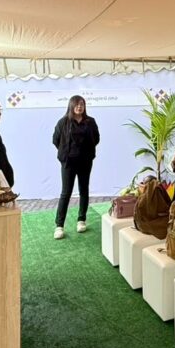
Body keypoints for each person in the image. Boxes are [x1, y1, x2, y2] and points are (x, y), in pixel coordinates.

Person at [52, 95, 100, 240]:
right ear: (71, 106)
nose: (79, 107)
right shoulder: (63, 122)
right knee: (65, 193)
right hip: (68, 162)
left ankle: (81, 220)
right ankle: (59, 225)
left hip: (85, 161)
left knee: (84, 190)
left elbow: (96, 139)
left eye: (82, 104)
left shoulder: (90, 122)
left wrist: (86, 151)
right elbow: (56, 140)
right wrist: (67, 152)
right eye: (77, 104)